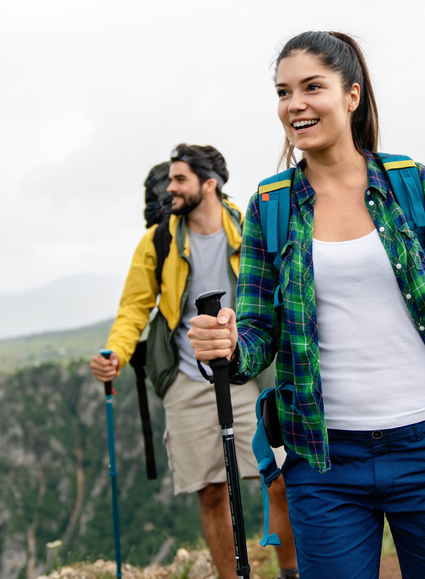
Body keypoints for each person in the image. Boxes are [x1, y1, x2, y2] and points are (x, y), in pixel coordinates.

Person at [189, 31, 425, 579]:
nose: (295, 104)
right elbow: (255, 333)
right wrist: (227, 346)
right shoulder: (269, 205)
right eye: (283, 92)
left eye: (311, 87)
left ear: (352, 95)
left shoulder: (408, 184)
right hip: (321, 460)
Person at [91, 144, 298, 579]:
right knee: (210, 491)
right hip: (188, 378)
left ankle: (292, 571)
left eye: (180, 179)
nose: (170, 188)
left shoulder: (249, 227)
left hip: (249, 374)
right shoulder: (159, 240)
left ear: (210, 184)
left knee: (278, 479)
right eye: (169, 180)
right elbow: (135, 308)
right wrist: (116, 352)